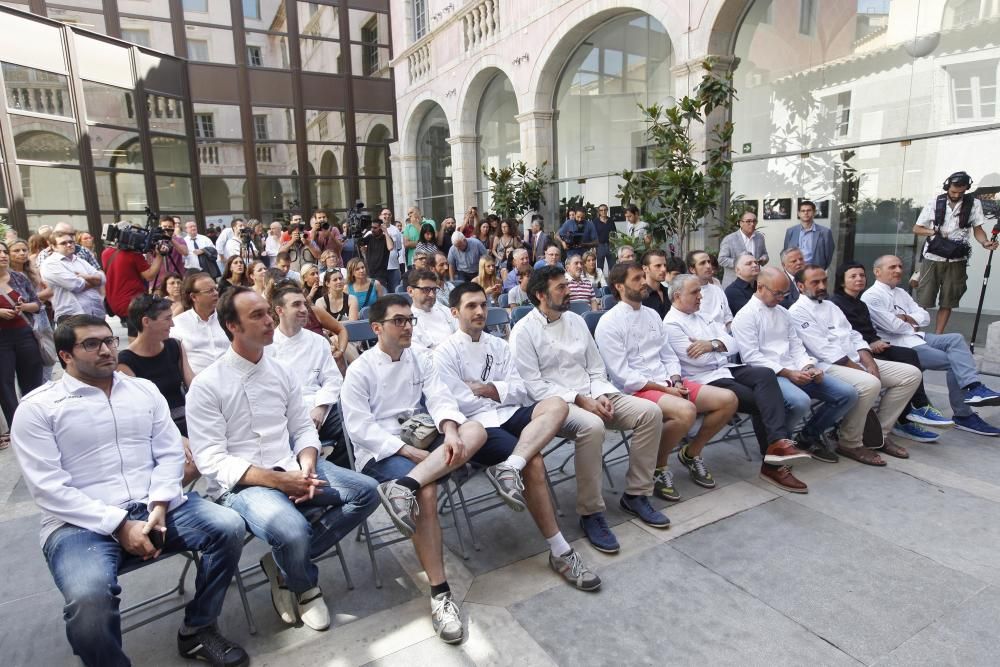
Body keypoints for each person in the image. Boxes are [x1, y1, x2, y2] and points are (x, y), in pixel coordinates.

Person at [11, 315, 249, 667]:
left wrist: (159, 504)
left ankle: (198, 629)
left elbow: (169, 453)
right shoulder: (38, 409)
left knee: (229, 526)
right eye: (91, 344)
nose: (106, 350)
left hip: (155, 506)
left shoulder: (142, 391)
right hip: (79, 524)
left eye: (109, 341)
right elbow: (48, 490)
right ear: (65, 356)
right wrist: (120, 524)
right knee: (88, 599)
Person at [187, 288, 379, 631]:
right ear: (232, 325)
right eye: (257, 315)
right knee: (291, 530)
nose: (269, 321)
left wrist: (306, 465)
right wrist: (278, 481)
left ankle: (283, 566)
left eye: (268, 312)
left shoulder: (280, 371)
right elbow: (210, 460)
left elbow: (303, 428)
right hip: (245, 483)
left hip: (292, 464)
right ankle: (306, 588)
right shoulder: (207, 384)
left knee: (365, 491)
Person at [341, 294, 489, 644]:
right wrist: (406, 450)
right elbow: (359, 428)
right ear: (377, 328)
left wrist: (450, 431)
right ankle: (440, 593)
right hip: (383, 450)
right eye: (399, 321)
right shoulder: (360, 370)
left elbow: (439, 397)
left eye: (410, 320)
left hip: (422, 439)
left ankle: (404, 486)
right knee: (429, 491)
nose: (408, 326)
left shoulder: (419, 358)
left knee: (476, 430)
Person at [435, 281, 600, 590]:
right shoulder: (444, 353)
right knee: (535, 463)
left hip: (507, 412)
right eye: (471, 306)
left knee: (556, 406)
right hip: (478, 426)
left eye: (483, 305)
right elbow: (457, 401)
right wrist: (499, 391)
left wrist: (485, 388)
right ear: (455, 312)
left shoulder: (498, 344)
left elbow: (522, 390)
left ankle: (511, 465)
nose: (480, 311)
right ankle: (560, 550)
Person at [510, 265, 665, 553]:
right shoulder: (523, 331)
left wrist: (601, 394)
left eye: (566, 286)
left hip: (594, 394)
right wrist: (579, 399)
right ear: (541, 295)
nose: (568, 292)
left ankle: (636, 494)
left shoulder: (576, 321)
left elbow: (595, 367)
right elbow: (534, 387)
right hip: (556, 405)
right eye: (561, 288)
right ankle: (591, 513)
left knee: (650, 413)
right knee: (592, 427)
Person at [597, 263, 738, 498]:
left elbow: (668, 355)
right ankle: (659, 466)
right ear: (619, 286)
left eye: (643, 276)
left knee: (728, 400)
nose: (644, 282)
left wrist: (676, 380)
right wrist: (665, 388)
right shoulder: (609, 322)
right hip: (636, 390)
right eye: (636, 279)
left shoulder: (652, 314)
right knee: (686, 411)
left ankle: (691, 453)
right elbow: (623, 375)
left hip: (667, 382)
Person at [663, 274, 811, 491]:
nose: (700, 296)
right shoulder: (671, 323)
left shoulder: (701, 316)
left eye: (700, 291)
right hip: (702, 378)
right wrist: (717, 346)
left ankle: (778, 445)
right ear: (677, 296)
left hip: (725, 369)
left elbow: (734, 344)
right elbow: (698, 358)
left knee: (765, 374)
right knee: (764, 401)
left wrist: (712, 344)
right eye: (695, 292)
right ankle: (773, 461)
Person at [789, 265, 921, 463]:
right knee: (870, 383)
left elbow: (854, 336)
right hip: (827, 366)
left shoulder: (831, 306)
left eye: (824, 280)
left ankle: (878, 435)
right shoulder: (797, 312)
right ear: (800, 286)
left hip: (855, 359)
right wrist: (863, 371)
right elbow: (824, 351)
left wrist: (871, 365)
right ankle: (849, 443)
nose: (822, 285)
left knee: (911, 374)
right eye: (815, 282)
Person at [861, 255, 1000, 436]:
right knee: (955, 363)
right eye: (892, 267)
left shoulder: (902, 293)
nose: (898, 271)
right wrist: (909, 320)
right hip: (901, 345)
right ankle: (964, 415)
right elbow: (893, 327)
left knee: (956, 339)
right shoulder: (872, 296)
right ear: (877, 272)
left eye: (900, 266)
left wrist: (907, 319)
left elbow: (925, 316)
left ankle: (973, 388)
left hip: (917, 336)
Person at [732, 267, 858, 460]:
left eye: (785, 293)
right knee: (800, 402)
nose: (782, 297)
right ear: (760, 287)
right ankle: (780, 443)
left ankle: (807, 437)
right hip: (770, 374)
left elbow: (796, 346)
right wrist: (787, 373)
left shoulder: (783, 313)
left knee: (847, 394)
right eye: (777, 293)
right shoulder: (745, 316)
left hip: (796, 369)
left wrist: (808, 366)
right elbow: (751, 357)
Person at [829, 261, 952, 443]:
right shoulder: (836, 304)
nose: (859, 279)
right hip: (857, 352)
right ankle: (915, 410)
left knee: (908, 355)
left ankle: (907, 415)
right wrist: (870, 345)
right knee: (907, 356)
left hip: (870, 346)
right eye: (853, 276)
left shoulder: (860, 303)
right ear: (842, 281)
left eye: (862, 275)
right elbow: (845, 336)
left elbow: (867, 330)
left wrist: (875, 341)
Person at [912, 171, 999, 334]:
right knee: (923, 300)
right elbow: (916, 228)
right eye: (953, 191)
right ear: (947, 186)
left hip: (957, 259)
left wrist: (985, 242)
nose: (957, 195)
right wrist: (934, 233)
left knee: (948, 301)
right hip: (933, 257)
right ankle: (913, 335)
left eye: (961, 192)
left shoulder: (974, 204)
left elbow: (978, 229)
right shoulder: (934, 202)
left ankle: (938, 336)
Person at [269, 283, 347, 462]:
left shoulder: (318, 342)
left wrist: (320, 407)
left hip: (320, 409)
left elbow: (333, 380)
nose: (304, 309)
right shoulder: (267, 346)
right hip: (285, 415)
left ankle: (336, 466)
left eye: (304, 304)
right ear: (280, 310)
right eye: (296, 305)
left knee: (352, 423)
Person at [117, 294, 195, 443]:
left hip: (188, 419)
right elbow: (138, 411)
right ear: (146, 321)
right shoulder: (126, 362)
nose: (172, 324)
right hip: (157, 429)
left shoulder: (174, 346)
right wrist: (175, 436)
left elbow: (192, 383)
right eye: (167, 318)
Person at [0, 240, 44, 449]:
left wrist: (24, 306)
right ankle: (16, 427)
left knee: (32, 382)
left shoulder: (18, 277)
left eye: (3, 251)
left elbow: (38, 305)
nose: (2, 255)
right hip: (1, 340)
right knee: (4, 384)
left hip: (25, 334)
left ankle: (34, 423)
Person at [103, 223, 163, 338]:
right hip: (132, 303)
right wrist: (160, 255)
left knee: (134, 333)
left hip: (115, 302)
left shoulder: (106, 253)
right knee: (137, 336)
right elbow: (149, 275)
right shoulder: (133, 255)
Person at [170, 272, 229, 375]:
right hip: (199, 384)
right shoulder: (178, 324)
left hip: (232, 380)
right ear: (193, 297)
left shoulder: (228, 318)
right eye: (210, 291)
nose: (215, 293)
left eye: (216, 289)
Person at [41, 230, 106, 321]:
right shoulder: (50, 264)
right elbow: (75, 285)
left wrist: (86, 277)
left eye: (71, 242)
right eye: (63, 243)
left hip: (96, 313)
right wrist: (94, 281)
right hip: (72, 316)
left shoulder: (79, 260)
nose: (69, 245)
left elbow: (102, 278)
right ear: (53, 247)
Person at [408, 269, 457, 349]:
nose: (432, 295)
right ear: (410, 291)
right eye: (426, 290)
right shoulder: (409, 322)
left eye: (434, 290)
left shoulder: (445, 311)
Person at [718, 210, 768, 286]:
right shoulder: (729, 239)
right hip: (734, 282)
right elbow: (722, 260)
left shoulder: (759, 237)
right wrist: (740, 263)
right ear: (741, 223)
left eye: (754, 221)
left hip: (754, 283)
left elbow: (765, 254)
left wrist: (763, 259)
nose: (752, 224)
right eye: (748, 221)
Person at [687, 250, 733, 327]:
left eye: (709, 262)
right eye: (702, 263)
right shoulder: (686, 294)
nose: (708, 266)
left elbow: (728, 319)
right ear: (692, 269)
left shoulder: (718, 290)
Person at [783, 200, 834, 268]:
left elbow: (828, 255)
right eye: (803, 211)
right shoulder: (790, 231)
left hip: (814, 271)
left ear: (814, 212)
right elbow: (786, 252)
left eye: (809, 210)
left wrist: (821, 269)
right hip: (795, 270)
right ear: (799, 213)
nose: (806, 213)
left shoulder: (825, 232)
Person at [149, 216, 189, 293]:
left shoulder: (179, 240)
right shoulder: (153, 240)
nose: (166, 229)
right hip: (157, 283)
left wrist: (170, 239)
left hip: (176, 282)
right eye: (164, 227)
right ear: (160, 227)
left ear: (173, 227)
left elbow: (185, 252)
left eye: (169, 227)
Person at [359, 214, 393, 288]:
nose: (372, 230)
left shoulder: (386, 238)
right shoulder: (370, 237)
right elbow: (359, 242)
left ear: (381, 228)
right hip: (369, 273)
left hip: (380, 275)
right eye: (371, 227)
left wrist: (386, 232)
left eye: (375, 228)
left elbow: (390, 247)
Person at [640, 249, 670, 318]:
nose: (663, 269)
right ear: (645, 269)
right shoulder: (639, 296)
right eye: (658, 266)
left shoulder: (670, 292)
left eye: (665, 265)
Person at [383, 210, 405, 293]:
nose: (387, 216)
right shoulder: (375, 229)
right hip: (381, 268)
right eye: (385, 214)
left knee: (395, 291)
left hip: (394, 266)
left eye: (389, 214)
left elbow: (398, 248)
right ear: (380, 216)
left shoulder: (396, 230)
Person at [593, 204, 615, 272]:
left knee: (613, 266)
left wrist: (615, 245)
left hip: (610, 246)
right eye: (601, 210)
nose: (603, 212)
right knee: (600, 267)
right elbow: (593, 235)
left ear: (607, 210)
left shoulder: (611, 220)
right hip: (600, 246)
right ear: (599, 212)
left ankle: (612, 282)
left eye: (605, 210)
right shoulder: (595, 221)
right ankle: (600, 282)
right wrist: (593, 248)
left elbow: (614, 233)